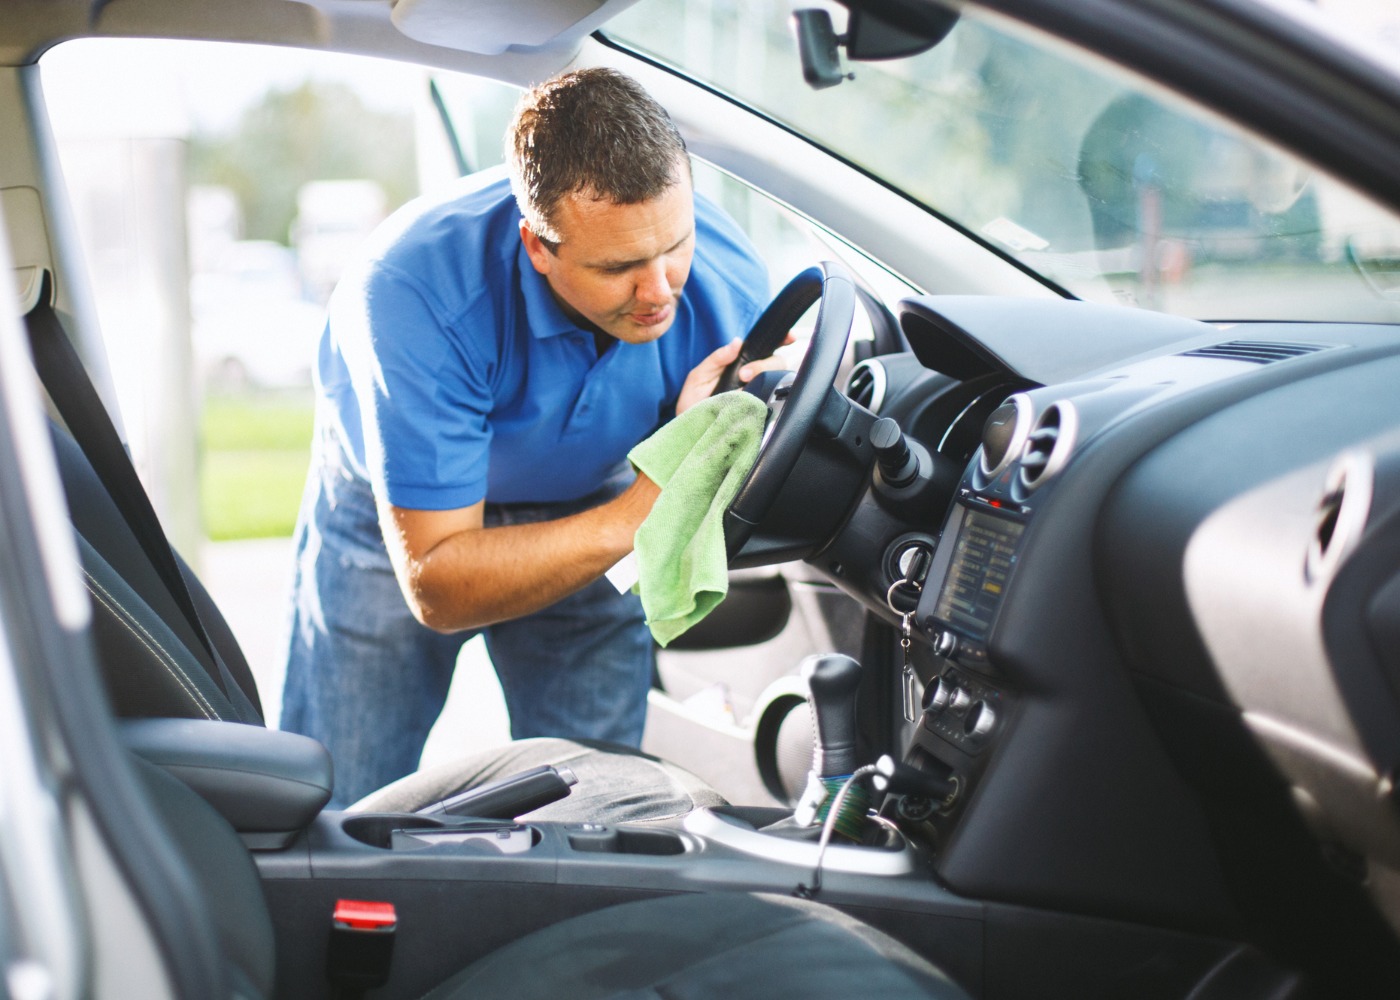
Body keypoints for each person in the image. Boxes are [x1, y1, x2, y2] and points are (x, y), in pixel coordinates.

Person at [279, 67, 776, 807]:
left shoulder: (728, 283)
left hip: (598, 489)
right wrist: (642, 513)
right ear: (538, 247)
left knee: (597, 811)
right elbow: (439, 584)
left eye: (674, 244)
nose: (660, 291)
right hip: (402, 521)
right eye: (617, 268)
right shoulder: (414, 290)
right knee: (338, 807)